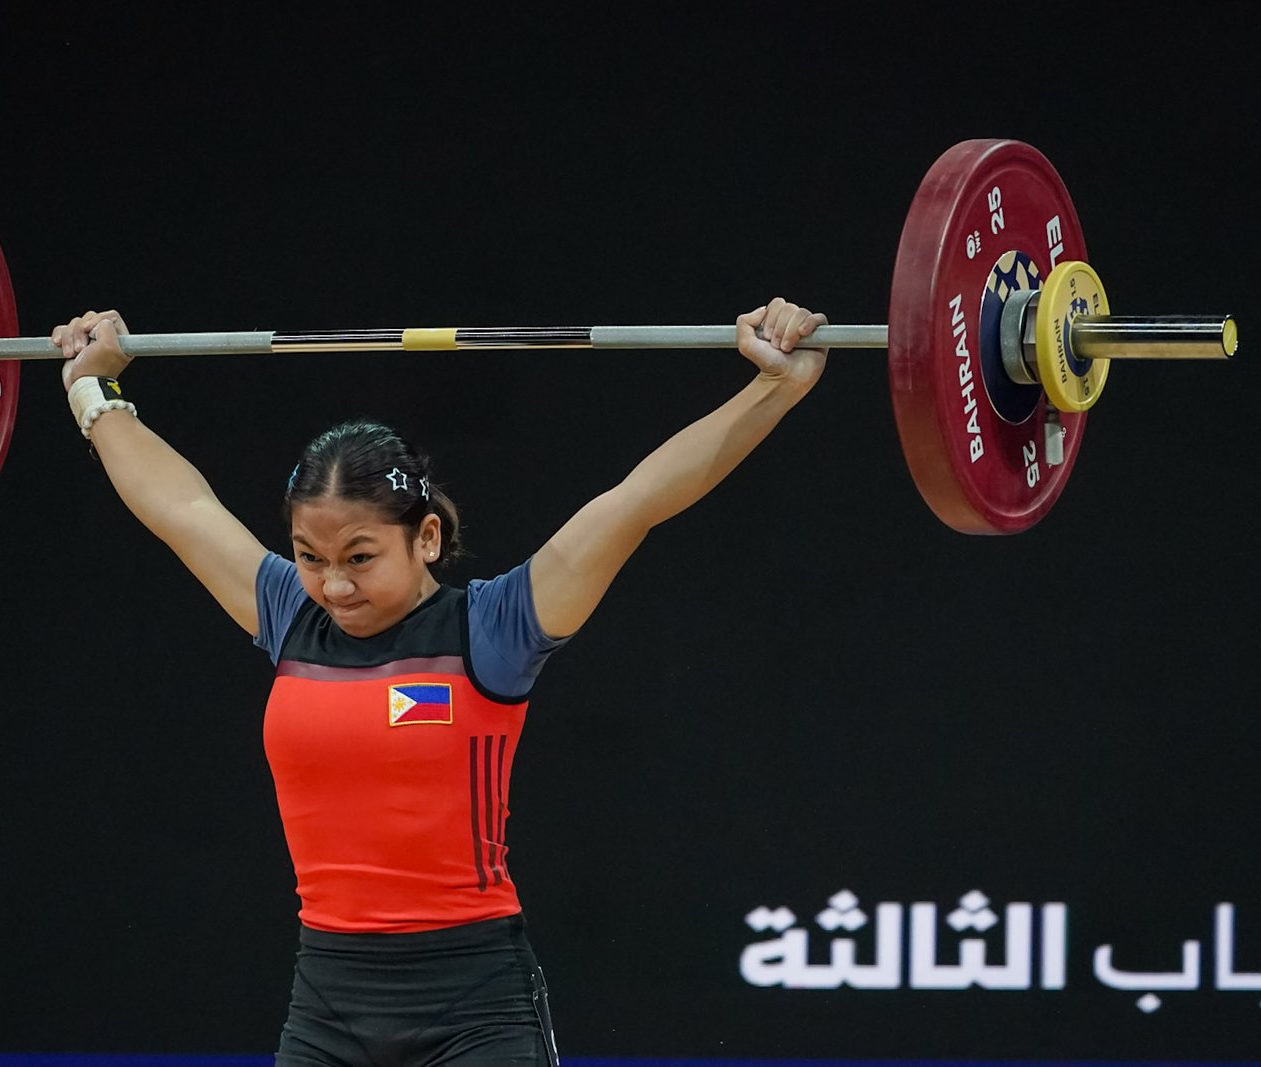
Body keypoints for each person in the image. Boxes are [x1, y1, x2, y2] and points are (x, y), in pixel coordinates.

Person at [50, 300, 828, 1065]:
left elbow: (637, 501)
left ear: (425, 537)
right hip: (326, 1005)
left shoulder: (492, 627)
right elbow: (181, 505)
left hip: (477, 1010)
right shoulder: (288, 612)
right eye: (310, 556)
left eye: (359, 556)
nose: (333, 585)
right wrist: (95, 388)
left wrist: (777, 386)